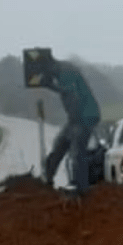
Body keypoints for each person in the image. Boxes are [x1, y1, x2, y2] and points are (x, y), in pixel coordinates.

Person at [44, 60, 101, 194]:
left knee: (77, 152)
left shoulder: (65, 72)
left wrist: (75, 121)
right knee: (59, 145)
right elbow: (64, 91)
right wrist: (50, 85)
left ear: (50, 67)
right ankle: (47, 180)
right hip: (75, 119)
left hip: (85, 117)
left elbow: (72, 95)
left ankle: (81, 188)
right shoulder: (60, 72)